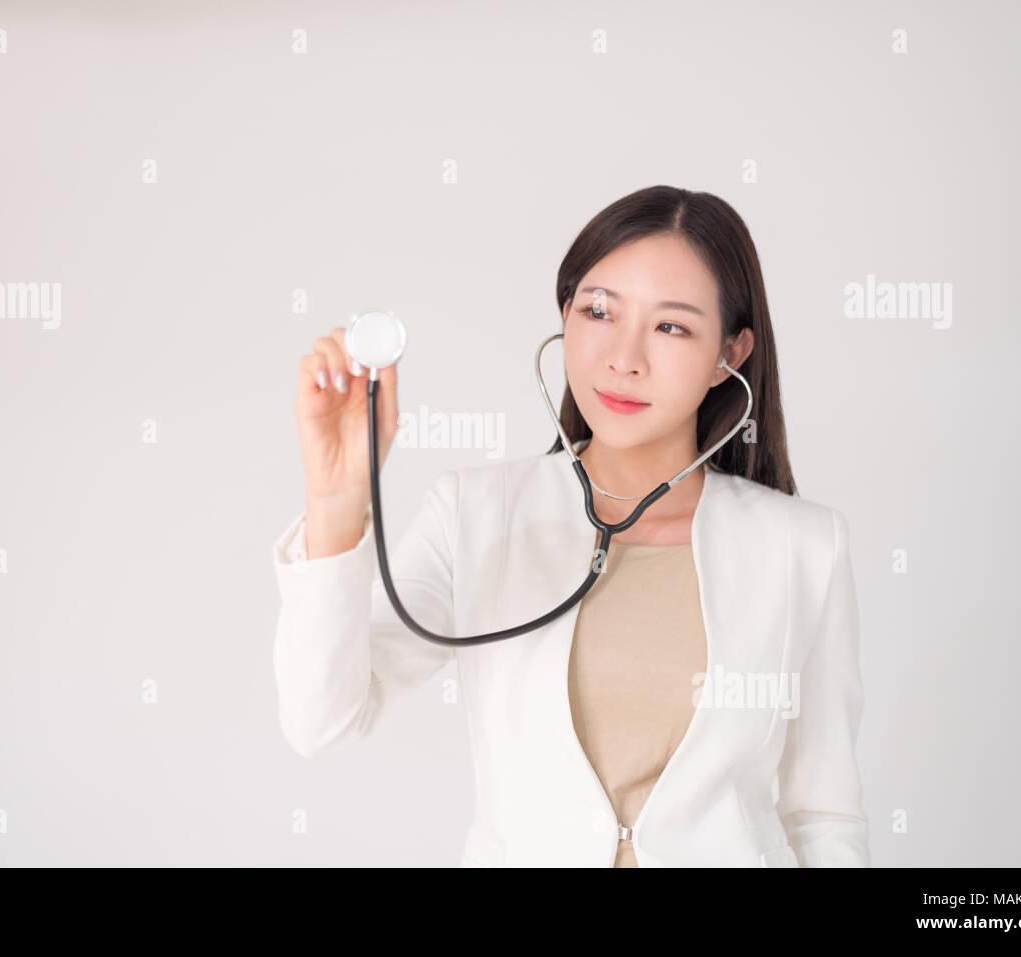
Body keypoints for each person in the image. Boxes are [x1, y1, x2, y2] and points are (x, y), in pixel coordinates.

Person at [271, 185, 870, 867]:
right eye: (598, 311)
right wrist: (337, 497)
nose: (624, 356)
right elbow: (323, 720)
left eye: (671, 326)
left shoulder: (804, 548)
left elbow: (823, 814)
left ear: (728, 353)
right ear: (565, 315)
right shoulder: (476, 513)